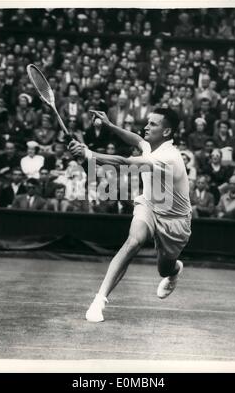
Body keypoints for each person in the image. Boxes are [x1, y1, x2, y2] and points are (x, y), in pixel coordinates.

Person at [68, 108, 192, 322]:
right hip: (149, 205)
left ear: (166, 132)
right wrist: (109, 125)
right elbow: (136, 140)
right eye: (148, 122)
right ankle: (99, 301)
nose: (146, 127)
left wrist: (89, 154)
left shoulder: (168, 158)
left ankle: (173, 270)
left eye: (153, 124)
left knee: (164, 269)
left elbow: (124, 163)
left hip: (175, 221)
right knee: (133, 242)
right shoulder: (152, 146)